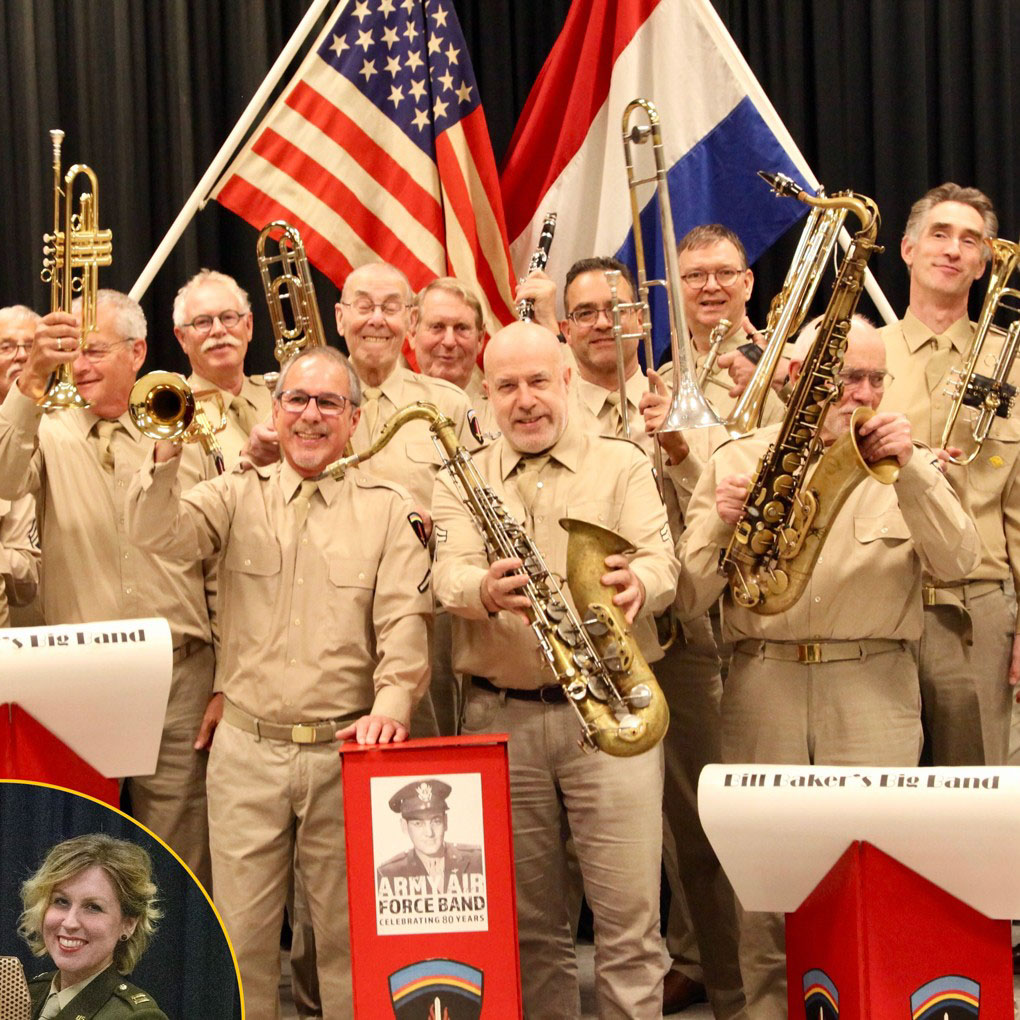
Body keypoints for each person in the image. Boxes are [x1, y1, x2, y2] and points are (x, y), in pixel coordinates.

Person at [677, 316, 980, 1020]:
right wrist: (725, 521)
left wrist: (914, 479)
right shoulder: (736, 458)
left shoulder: (912, 464)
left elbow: (959, 563)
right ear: (801, 378)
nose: (864, 394)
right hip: (763, 684)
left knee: (871, 880)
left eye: (877, 378)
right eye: (849, 377)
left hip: (871, 686)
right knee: (765, 891)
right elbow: (690, 597)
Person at [125, 344, 431, 1019]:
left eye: (328, 403)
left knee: (350, 942)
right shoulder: (234, 494)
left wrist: (394, 700)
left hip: (344, 751)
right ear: (275, 410)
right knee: (240, 940)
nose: (311, 416)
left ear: (354, 419)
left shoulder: (388, 508)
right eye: (297, 400)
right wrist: (165, 450)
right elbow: (156, 533)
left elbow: (404, 617)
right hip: (246, 755)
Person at [432, 321, 679, 1020]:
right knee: (529, 929)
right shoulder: (462, 473)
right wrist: (478, 589)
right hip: (501, 719)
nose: (525, 400)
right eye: (507, 386)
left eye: (539, 381)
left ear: (568, 380)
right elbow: (442, 570)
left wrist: (643, 585)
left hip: (609, 716)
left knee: (630, 925)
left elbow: (664, 561)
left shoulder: (623, 463)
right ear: (486, 396)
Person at [561, 256, 745, 1019]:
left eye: (619, 307)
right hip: (589, 655)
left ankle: (736, 995)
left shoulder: (689, 396)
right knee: (575, 840)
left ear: (642, 316)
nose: (605, 321)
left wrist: (676, 443)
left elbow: (725, 502)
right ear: (564, 327)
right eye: (587, 311)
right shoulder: (546, 403)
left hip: (685, 641)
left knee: (705, 830)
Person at [0, 290, 216, 887]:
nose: (84, 366)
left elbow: (219, 562)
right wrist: (30, 383)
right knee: (69, 857)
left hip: (180, 677)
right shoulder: (44, 427)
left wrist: (227, 681)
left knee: (176, 862)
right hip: (76, 679)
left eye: (95, 350)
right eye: (74, 354)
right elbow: (1, 479)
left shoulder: (184, 423)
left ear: (138, 351)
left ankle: (171, 980)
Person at [878, 183, 1020, 767]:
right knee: (876, 803)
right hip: (879, 609)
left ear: (986, 263)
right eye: (939, 234)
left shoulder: (1012, 363)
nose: (953, 250)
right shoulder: (862, 354)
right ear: (908, 249)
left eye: (970, 241)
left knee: (978, 806)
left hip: (980, 616)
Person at [18, 833, 166, 1020]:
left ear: (128, 924)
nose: (70, 922)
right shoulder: (28, 995)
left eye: (93, 907)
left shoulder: (135, 1016)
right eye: (61, 901)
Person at [172, 268, 272, 469]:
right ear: (182, 338)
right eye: (203, 322)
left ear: (249, 326)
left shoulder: (282, 395)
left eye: (228, 317)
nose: (218, 330)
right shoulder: (176, 417)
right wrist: (245, 463)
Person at [0, 306, 41, 628]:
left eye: (31, 347)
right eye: (7, 347)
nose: (20, 356)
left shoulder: (56, 430)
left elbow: (32, 571)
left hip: (38, 632)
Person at [376, 779, 483, 893]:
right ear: (404, 827)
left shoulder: (478, 860)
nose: (429, 832)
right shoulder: (388, 875)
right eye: (418, 823)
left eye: (436, 821)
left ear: (445, 822)